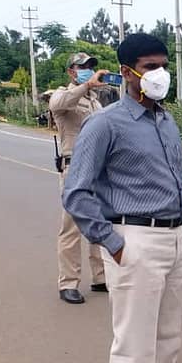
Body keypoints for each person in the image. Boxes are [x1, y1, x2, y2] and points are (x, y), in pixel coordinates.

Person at [63, 34, 182, 363]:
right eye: (149, 65)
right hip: (135, 241)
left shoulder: (164, 120)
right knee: (133, 347)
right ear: (126, 72)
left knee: (168, 340)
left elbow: (175, 177)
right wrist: (112, 242)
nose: (159, 73)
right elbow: (76, 192)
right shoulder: (106, 124)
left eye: (163, 65)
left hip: (176, 238)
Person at [49, 52, 109, 304]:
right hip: (75, 168)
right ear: (71, 72)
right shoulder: (62, 95)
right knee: (72, 227)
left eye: (90, 67)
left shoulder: (96, 102)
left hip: (99, 169)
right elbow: (58, 105)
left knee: (99, 222)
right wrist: (86, 85)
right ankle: (69, 283)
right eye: (82, 67)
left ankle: (101, 277)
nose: (88, 70)